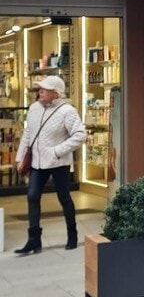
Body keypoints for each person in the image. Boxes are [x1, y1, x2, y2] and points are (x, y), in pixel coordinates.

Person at [12, 75, 87, 255]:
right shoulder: (34, 109)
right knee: (32, 196)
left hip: (59, 163)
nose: (40, 92)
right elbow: (28, 134)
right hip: (37, 162)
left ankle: (72, 234)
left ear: (55, 93)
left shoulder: (67, 111)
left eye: (44, 90)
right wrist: (20, 157)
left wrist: (57, 151)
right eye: (40, 89)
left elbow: (80, 135)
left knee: (64, 198)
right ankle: (33, 240)